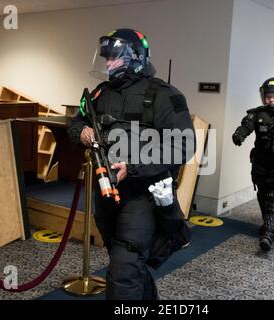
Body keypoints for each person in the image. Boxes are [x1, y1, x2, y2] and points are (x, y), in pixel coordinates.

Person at [68, 28, 195, 299]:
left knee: (124, 267)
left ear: (136, 57)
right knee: (124, 259)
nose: (108, 63)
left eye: (114, 57)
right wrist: (81, 131)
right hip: (107, 192)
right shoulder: (101, 93)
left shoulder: (164, 94)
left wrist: (134, 166)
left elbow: (183, 146)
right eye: (106, 58)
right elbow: (77, 120)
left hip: (144, 195)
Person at [232, 77, 274, 252]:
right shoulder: (256, 113)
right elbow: (245, 126)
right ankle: (267, 225)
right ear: (263, 96)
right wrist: (239, 135)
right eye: (268, 96)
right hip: (261, 164)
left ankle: (268, 234)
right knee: (263, 196)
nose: (271, 99)